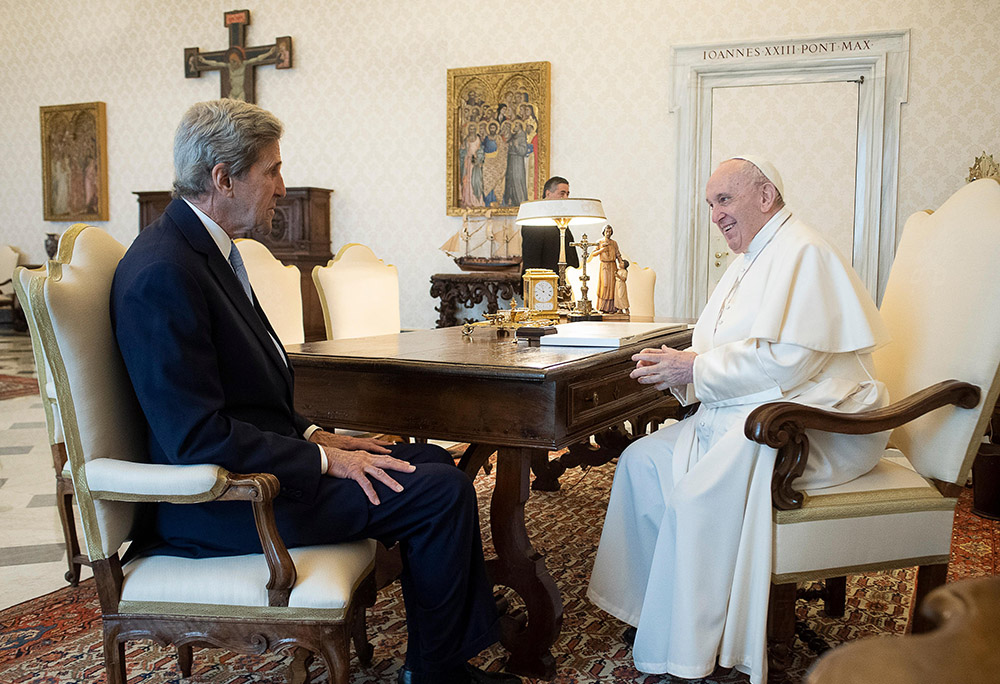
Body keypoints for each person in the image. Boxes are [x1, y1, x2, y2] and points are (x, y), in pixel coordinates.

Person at [110, 99, 519, 684]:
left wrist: (314, 434)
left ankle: (443, 650)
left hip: (257, 475)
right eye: (271, 170)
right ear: (223, 178)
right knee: (438, 492)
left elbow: (246, 397)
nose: (282, 186)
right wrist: (324, 459)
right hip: (221, 504)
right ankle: (438, 672)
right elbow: (194, 436)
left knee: (428, 459)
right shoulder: (162, 273)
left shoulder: (203, 253)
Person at [587, 157, 890, 684]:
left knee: (693, 494)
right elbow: (721, 344)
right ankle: (655, 613)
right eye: (711, 205)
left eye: (724, 200)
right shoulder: (752, 255)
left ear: (765, 195)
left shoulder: (806, 250)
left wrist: (693, 369)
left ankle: (698, 647)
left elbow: (791, 361)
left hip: (813, 422)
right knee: (640, 461)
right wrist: (678, 366)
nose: (716, 215)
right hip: (748, 408)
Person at [519, 176, 581, 274]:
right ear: (548, 193)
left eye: (567, 194)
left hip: (564, 280)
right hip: (544, 282)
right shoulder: (534, 220)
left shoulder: (560, 218)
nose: (566, 198)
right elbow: (532, 260)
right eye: (562, 193)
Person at [592, 224, 623, 313]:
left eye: (610, 231)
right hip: (604, 266)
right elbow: (594, 254)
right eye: (606, 231)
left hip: (613, 266)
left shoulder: (614, 243)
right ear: (603, 232)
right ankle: (602, 307)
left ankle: (613, 307)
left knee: (613, 285)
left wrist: (621, 262)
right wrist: (602, 249)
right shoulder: (600, 242)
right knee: (605, 285)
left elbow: (618, 254)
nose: (608, 233)